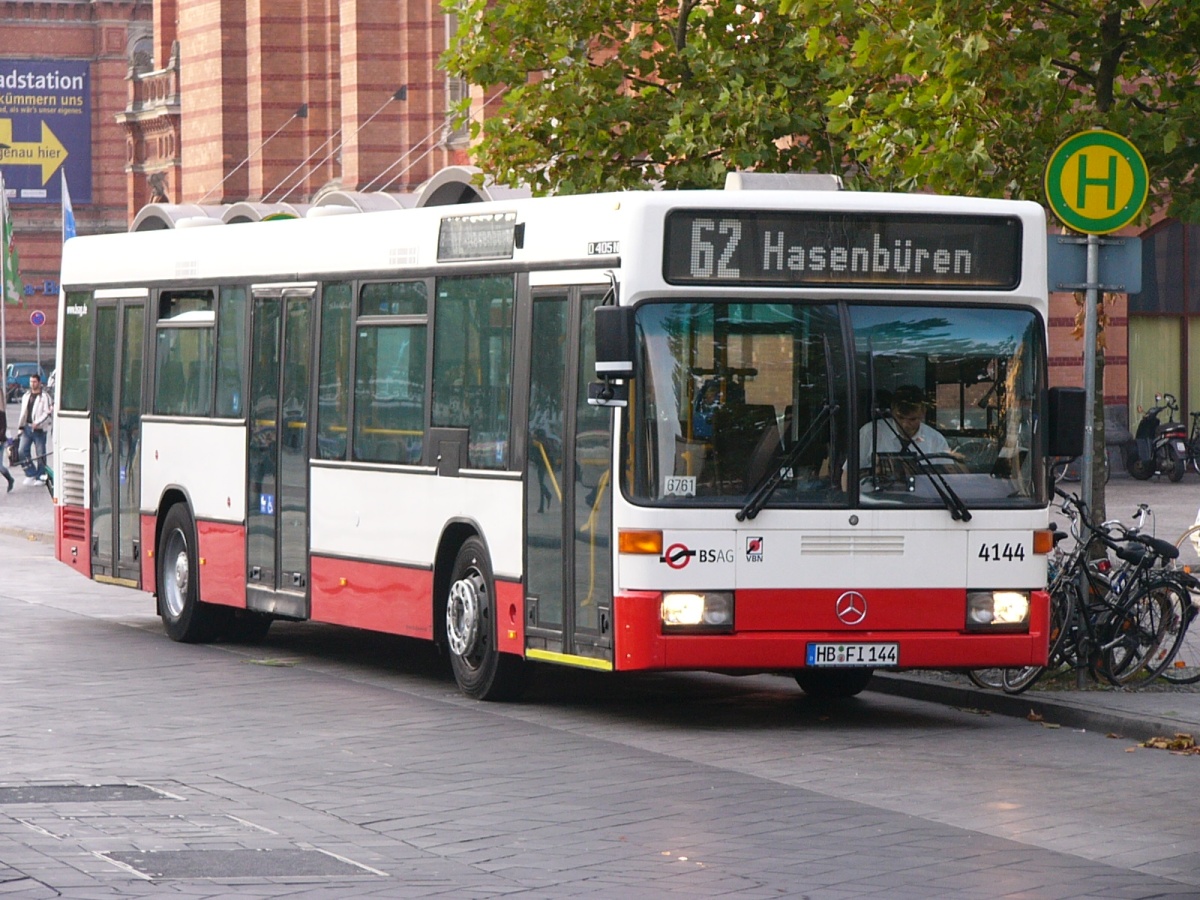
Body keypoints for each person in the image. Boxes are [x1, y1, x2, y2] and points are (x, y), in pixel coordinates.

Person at [843, 385, 953, 489]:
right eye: (900, 418)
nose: (905, 425)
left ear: (923, 413)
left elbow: (948, 479)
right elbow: (848, 475)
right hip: (872, 500)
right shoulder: (870, 433)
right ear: (892, 411)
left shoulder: (936, 440)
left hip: (921, 500)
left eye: (912, 419)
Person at [17, 373, 53, 484]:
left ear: (39, 383)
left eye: (34, 382)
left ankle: (41, 475)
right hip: (27, 428)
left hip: (39, 429)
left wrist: (38, 422)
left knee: (40, 453)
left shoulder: (45, 397)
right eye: (31, 382)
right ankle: (30, 473)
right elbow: (23, 413)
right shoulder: (26, 395)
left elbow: (48, 413)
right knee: (22, 451)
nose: (32, 384)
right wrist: (20, 427)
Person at [0, 404, 14, 492]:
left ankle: (10, 479)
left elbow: (3, 428)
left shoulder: (1, 414)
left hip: (0, 442)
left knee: (0, 467)